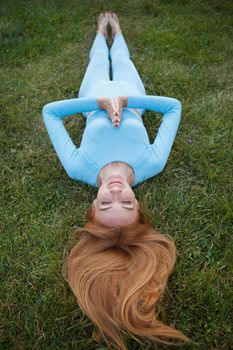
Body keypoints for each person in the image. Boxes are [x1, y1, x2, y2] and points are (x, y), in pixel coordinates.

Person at [42, 12, 189, 350]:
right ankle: (116, 31)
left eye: (106, 203)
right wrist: (127, 102)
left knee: (99, 57)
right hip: (131, 93)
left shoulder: (79, 168)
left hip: (92, 92)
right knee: (121, 57)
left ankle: (101, 31)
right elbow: (172, 108)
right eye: (127, 203)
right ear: (140, 207)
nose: (116, 192)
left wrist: (97, 102)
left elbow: (50, 112)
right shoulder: (150, 163)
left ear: (92, 208)